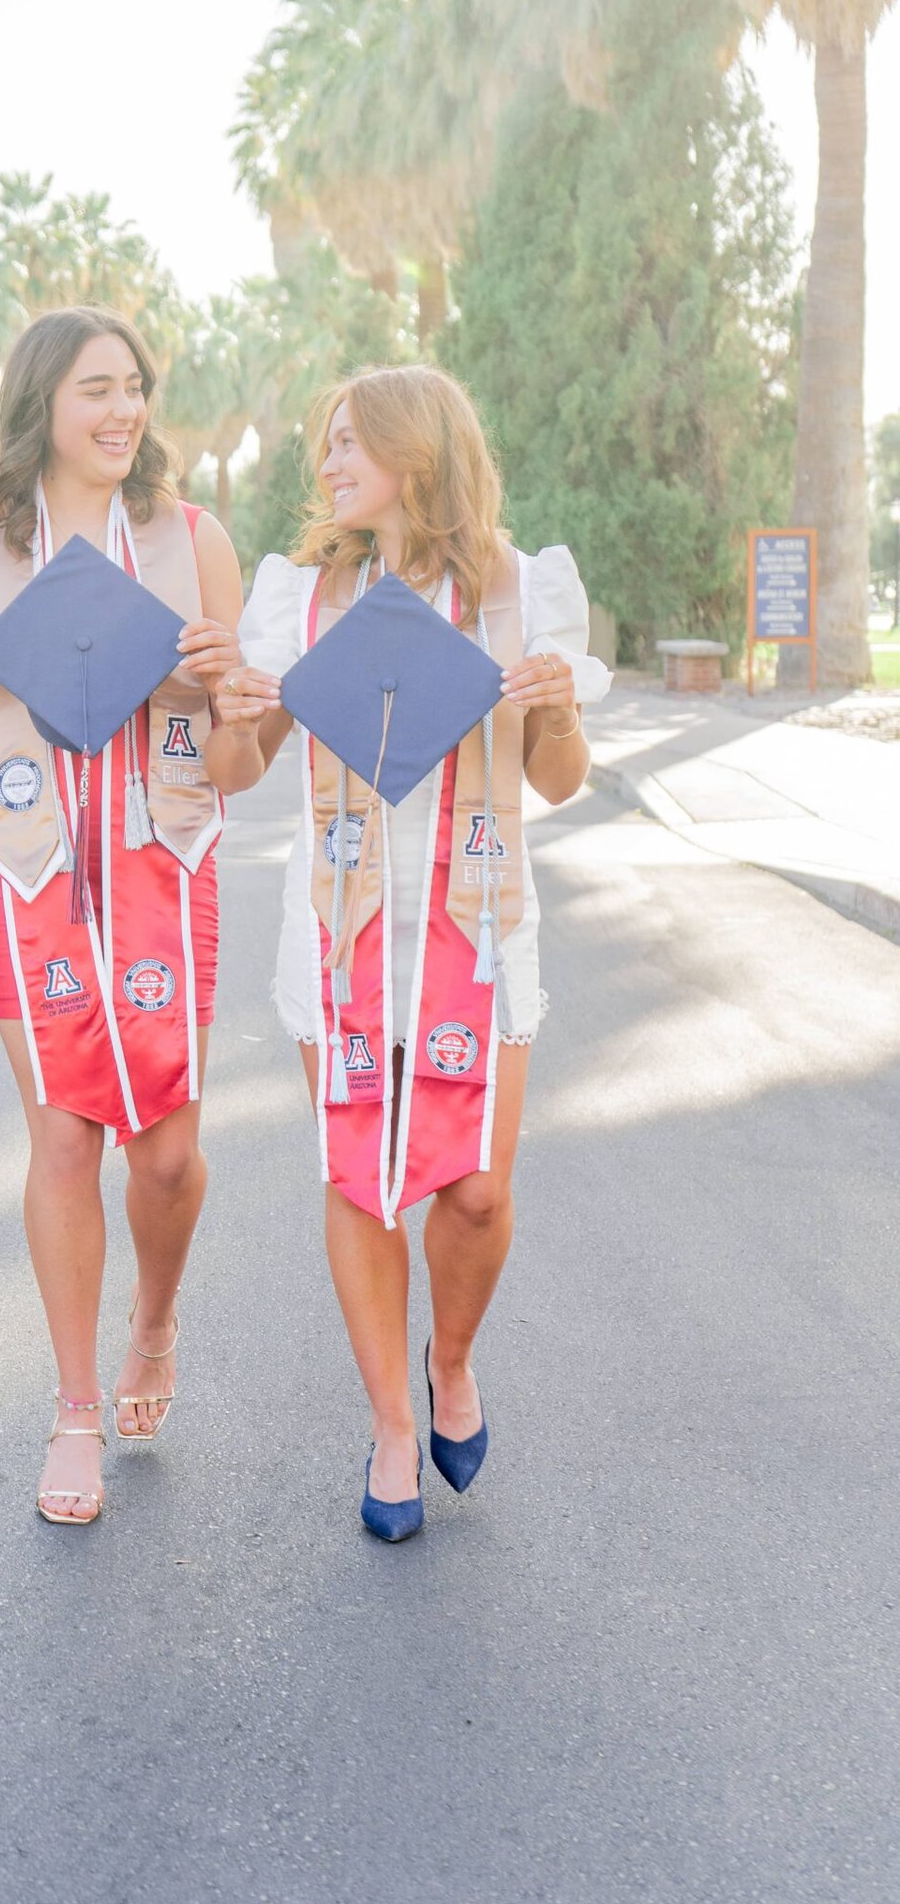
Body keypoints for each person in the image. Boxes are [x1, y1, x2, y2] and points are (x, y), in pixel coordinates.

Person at [207, 364, 610, 1541]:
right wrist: (236, 707)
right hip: (338, 930)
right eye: (322, 445)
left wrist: (556, 707)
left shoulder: (515, 589)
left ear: (414, 453)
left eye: (347, 443)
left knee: (475, 1194)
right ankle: (391, 1421)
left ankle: (450, 1362)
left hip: (480, 929)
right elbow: (239, 774)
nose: (326, 464)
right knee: (359, 1180)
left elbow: (557, 780)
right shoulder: (303, 597)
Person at [0, 307, 243, 1525]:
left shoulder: (191, 538)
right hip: (26, 862)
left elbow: (238, 753)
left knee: (163, 1152)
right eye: (97, 387)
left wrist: (221, 689)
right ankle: (75, 1405)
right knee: (64, 1141)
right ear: (41, 398)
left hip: (166, 856)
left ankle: (153, 1319)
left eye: (136, 386)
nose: (123, 409)